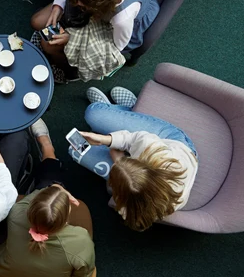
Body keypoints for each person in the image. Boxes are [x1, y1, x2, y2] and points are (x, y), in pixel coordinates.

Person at [0, 119, 95, 277]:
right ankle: (46, 146)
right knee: (51, 176)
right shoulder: (79, 241)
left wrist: (54, 189)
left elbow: (36, 196)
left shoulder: (16, 214)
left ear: (32, 207)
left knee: (47, 180)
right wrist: (59, 189)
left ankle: (46, 148)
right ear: (66, 219)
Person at [75, 86, 199, 231]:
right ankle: (127, 109)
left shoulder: (128, 210)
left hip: (155, 156)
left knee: (77, 149)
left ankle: (117, 113)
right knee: (93, 114)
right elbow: (132, 139)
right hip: (173, 142)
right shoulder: (154, 152)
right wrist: (106, 139)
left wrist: (118, 159)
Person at [30, 0, 160, 80]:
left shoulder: (122, 19)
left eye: (81, 6)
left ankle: (70, 72)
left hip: (118, 30)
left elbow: (113, 49)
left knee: (47, 45)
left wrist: (72, 38)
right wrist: (58, 6)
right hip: (99, 6)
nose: (76, 6)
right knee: (37, 22)